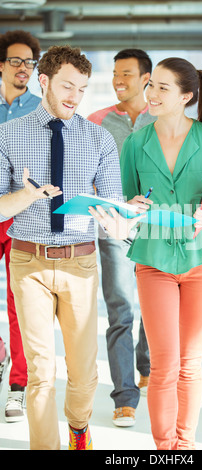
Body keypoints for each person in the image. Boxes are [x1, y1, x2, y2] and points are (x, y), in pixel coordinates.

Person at [92, 58, 202, 450]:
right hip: (153, 259)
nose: (151, 94)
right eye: (151, 85)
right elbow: (123, 201)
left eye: (162, 88)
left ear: (186, 97)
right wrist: (130, 207)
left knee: (190, 365)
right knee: (163, 365)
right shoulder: (137, 144)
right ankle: (163, 449)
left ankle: (184, 446)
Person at [0, 45, 139, 450]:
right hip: (28, 261)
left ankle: (79, 426)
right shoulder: (7, 135)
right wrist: (24, 197)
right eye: (66, 86)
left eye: (81, 89)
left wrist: (124, 215)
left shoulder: (98, 139)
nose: (74, 97)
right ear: (43, 82)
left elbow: (113, 206)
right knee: (41, 372)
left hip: (80, 263)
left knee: (82, 372)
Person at [88, 49, 154, 427]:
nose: (118, 80)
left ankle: (144, 363)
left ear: (146, 79)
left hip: (153, 228)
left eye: (126, 74)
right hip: (112, 227)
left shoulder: (161, 119)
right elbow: (85, 174)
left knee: (150, 305)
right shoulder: (97, 122)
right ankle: (125, 396)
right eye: (115, 73)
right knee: (121, 309)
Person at [0, 30, 41, 423]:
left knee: (19, 302)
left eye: (30, 62)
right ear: (0, 65)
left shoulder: (40, 111)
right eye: (16, 61)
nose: (24, 69)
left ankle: (17, 387)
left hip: (23, 216)